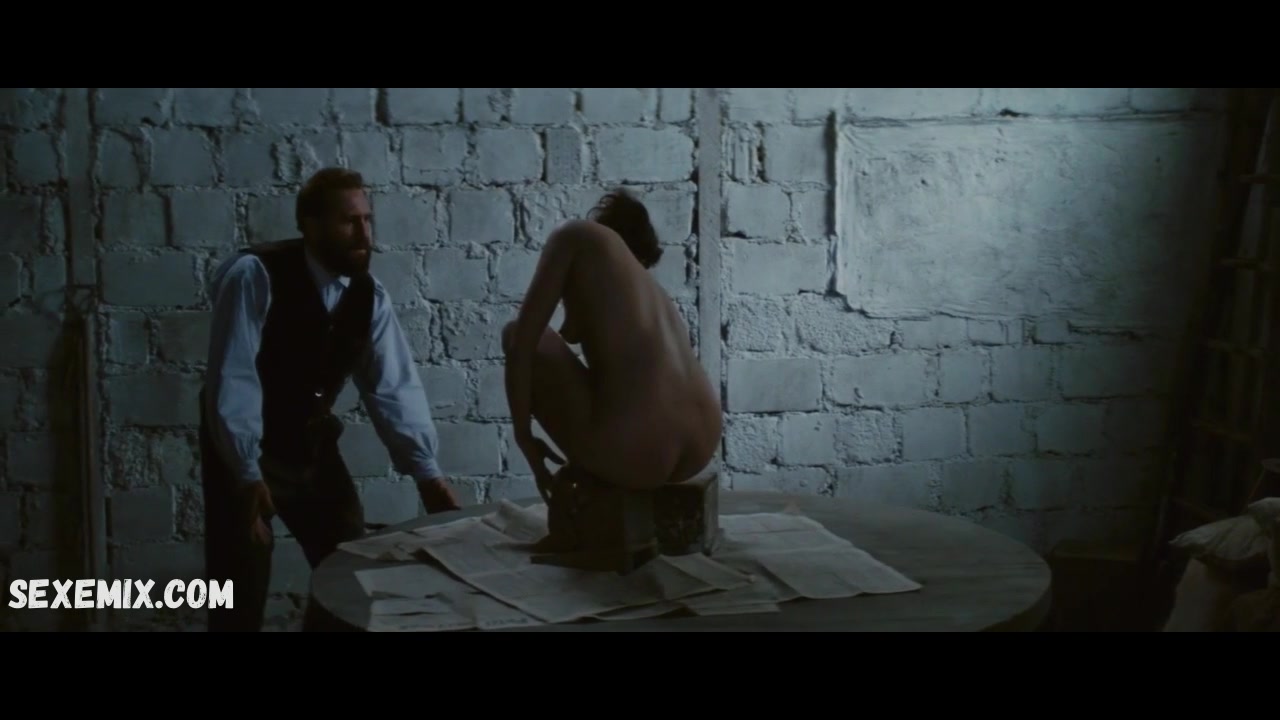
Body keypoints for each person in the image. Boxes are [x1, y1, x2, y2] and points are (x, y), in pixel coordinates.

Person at [200, 167, 460, 632]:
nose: (363, 233)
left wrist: (427, 474)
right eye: (348, 221)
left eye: (367, 220)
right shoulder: (254, 275)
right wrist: (244, 472)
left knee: (348, 567)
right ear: (310, 225)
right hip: (246, 449)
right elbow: (233, 376)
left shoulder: (368, 296)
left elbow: (392, 386)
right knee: (238, 586)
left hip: (311, 445)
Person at [503, 188, 722, 503]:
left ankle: (604, 463)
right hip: (703, 443)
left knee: (515, 332)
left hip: (636, 449)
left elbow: (524, 344)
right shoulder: (656, 294)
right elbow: (575, 332)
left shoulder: (574, 234)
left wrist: (524, 437)